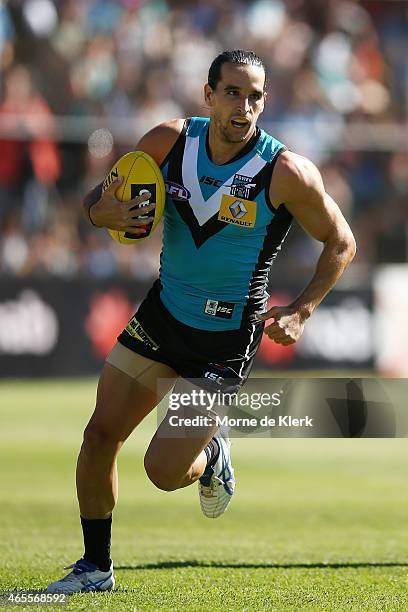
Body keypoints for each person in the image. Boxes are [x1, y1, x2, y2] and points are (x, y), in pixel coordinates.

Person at [46, 50, 356, 593]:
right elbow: (99, 199)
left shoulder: (285, 173)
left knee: (163, 474)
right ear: (207, 94)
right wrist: (102, 213)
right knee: (99, 437)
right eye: (232, 92)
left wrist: (303, 310)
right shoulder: (167, 142)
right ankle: (95, 568)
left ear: (265, 101)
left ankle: (212, 450)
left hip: (222, 345)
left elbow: (341, 242)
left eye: (255, 95)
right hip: (161, 318)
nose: (244, 106)